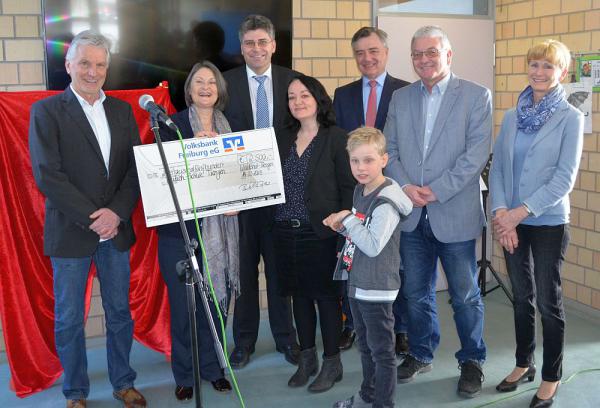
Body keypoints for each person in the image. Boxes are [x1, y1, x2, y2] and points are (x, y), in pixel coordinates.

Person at [28, 30, 146, 408]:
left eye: (99, 64)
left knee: (119, 313)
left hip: (116, 229)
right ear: (68, 65)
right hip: (72, 231)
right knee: (68, 320)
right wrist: (94, 218)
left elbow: (133, 170)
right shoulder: (46, 111)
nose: (92, 72)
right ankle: (75, 392)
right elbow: (48, 175)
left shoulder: (122, 110)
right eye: (84, 63)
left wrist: (116, 213)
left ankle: (123, 382)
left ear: (107, 68)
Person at [384, 25, 491, 398]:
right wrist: (407, 187)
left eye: (432, 52)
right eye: (417, 54)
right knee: (416, 293)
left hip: (455, 211)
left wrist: (437, 190)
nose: (424, 60)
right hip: (412, 213)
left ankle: (472, 360)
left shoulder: (476, 96)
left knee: (464, 295)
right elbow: (389, 151)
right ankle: (420, 351)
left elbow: (475, 155)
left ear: (448, 55)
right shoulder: (401, 98)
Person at [489, 40, 583, 408]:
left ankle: (551, 376)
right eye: (534, 65)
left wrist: (518, 212)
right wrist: (501, 214)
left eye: (548, 66)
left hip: (547, 221)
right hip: (511, 222)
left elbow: (564, 179)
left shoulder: (570, 118)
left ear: (562, 72)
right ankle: (523, 363)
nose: (539, 72)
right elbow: (498, 168)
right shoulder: (513, 115)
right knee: (521, 297)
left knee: (548, 301)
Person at [156, 61, 237, 401]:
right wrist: (190, 149)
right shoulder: (169, 125)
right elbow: (159, 178)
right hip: (180, 233)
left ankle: (214, 367)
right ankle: (186, 374)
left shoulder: (232, 128)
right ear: (188, 90)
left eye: (212, 82)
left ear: (219, 91)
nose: (206, 87)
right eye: (199, 82)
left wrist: (238, 200)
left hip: (221, 229)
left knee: (216, 301)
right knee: (185, 305)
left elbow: (240, 177)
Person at [222, 14, 300, 369]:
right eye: (249, 43)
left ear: (273, 45)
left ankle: (287, 339)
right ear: (242, 48)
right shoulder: (225, 84)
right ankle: (244, 342)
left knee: (281, 270)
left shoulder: (293, 83)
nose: (256, 49)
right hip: (240, 200)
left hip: (283, 196)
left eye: (262, 42)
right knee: (245, 273)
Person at [274, 75, 355, 393]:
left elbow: (349, 188)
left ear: (318, 98)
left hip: (321, 233)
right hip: (284, 230)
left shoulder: (336, 138)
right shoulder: (281, 138)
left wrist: (343, 232)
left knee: (326, 300)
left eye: (304, 95)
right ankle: (307, 360)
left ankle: (332, 362)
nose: (297, 101)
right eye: (291, 97)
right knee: (299, 299)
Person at [332, 26, 411, 353]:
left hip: (391, 191)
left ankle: (401, 328)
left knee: (396, 261)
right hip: (356, 193)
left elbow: (407, 144)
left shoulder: (406, 91)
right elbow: (340, 146)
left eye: (373, 50)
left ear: (386, 52)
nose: (367, 58)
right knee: (355, 258)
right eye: (360, 52)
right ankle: (352, 323)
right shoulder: (343, 94)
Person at [324, 127, 412, 408]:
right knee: (365, 347)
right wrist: (344, 225)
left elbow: (373, 245)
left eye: (369, 160)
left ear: (384, 159)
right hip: (358, 280)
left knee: (382, 353)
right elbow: (360, 233)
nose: (361, 168)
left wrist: (347, 219)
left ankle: (383, 404)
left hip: (377, 287)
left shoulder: (386, 201)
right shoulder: (360, 190)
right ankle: (368, 395)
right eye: (355, 161)